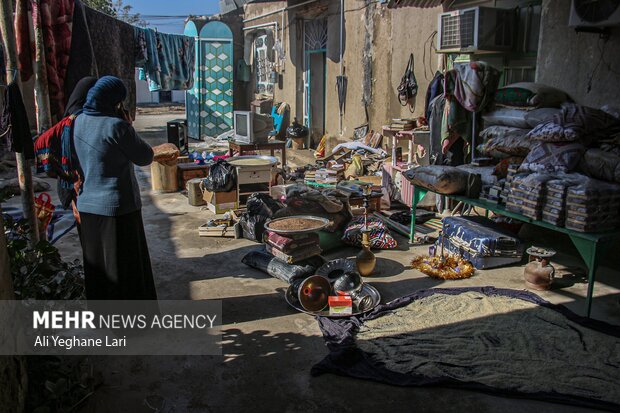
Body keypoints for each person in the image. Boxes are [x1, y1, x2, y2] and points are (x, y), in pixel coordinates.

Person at [73, 76, 157, 300]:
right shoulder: (116, 126)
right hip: (118, 209)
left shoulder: (78, 120)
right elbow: (145, 156)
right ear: (114, 101)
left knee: (98, 268)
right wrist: (128, 125)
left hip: (88, 207)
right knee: (125, 270)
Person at [34, 76, 98, 223]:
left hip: (75, 182)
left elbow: (41, 142)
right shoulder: (82, 119)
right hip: (85, 183)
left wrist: (60, 171)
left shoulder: (68, 119)